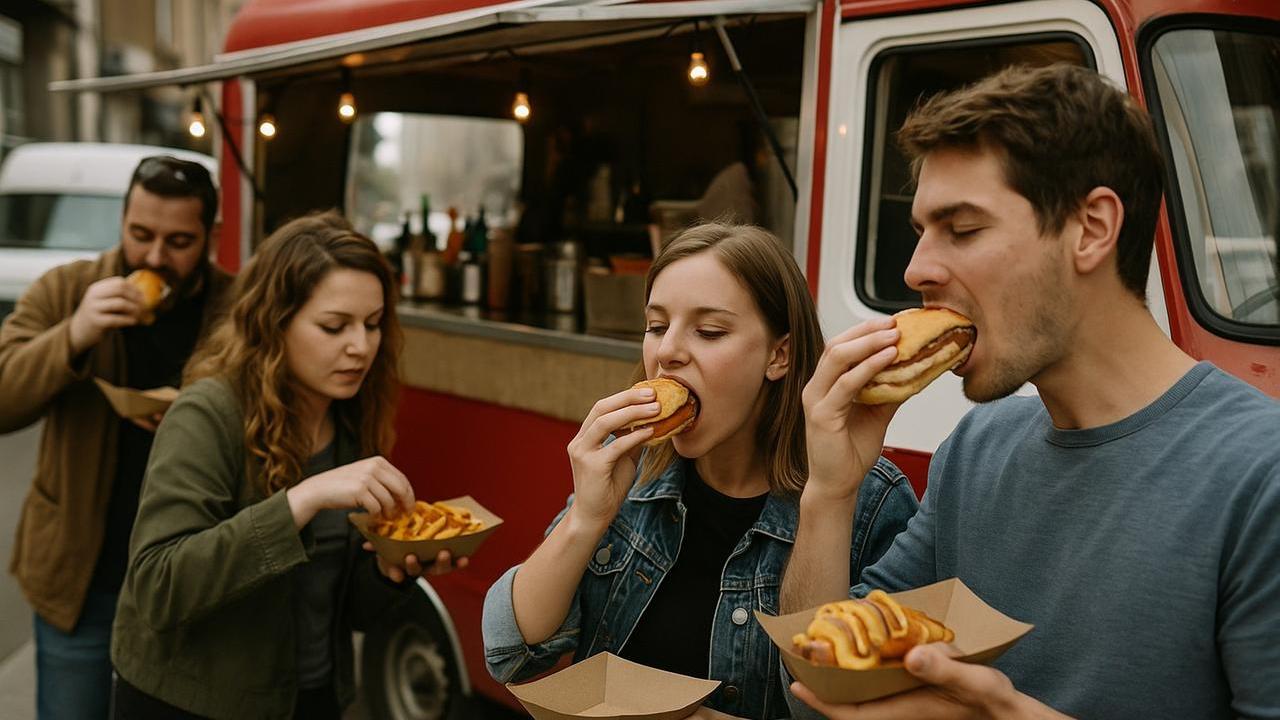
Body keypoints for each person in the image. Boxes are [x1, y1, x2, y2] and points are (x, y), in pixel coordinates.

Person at [781, 64, 1280, 719]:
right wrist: (829, 491)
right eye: (921, 231)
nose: (917, 268)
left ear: (1092, 229)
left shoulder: (1259, 475)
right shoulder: (977, 450)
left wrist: (1003, 715)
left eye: (962, 230)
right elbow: (816, 696)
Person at [483, 222, 919, 719]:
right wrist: (586, 517)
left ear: (779, 354)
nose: (667, 351)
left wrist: (830, 496)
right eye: (655, 326)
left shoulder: (869, 498)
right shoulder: (635, 467)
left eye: (709, 331)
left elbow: (827, 705)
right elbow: (509, 651)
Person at [108, 214, 459, 719]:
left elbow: (340, 610)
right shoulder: (208, 413)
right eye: (334, 326)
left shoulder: (352, 419)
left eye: (374, 323)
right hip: (191, 703)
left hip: (311, 697)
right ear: (273, 322)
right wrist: (303, 499)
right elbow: (160, 587)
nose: (360, 346)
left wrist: (389, 571)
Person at [0, 155, 229, 720]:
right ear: (123, 221)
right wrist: (74, 335)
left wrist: (199, 418)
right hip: (83, 578)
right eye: (140, 235)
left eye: (178, 241)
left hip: (187, 589)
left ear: (210, 236)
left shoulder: (236, 307)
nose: (154, 257)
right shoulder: (68, 288)